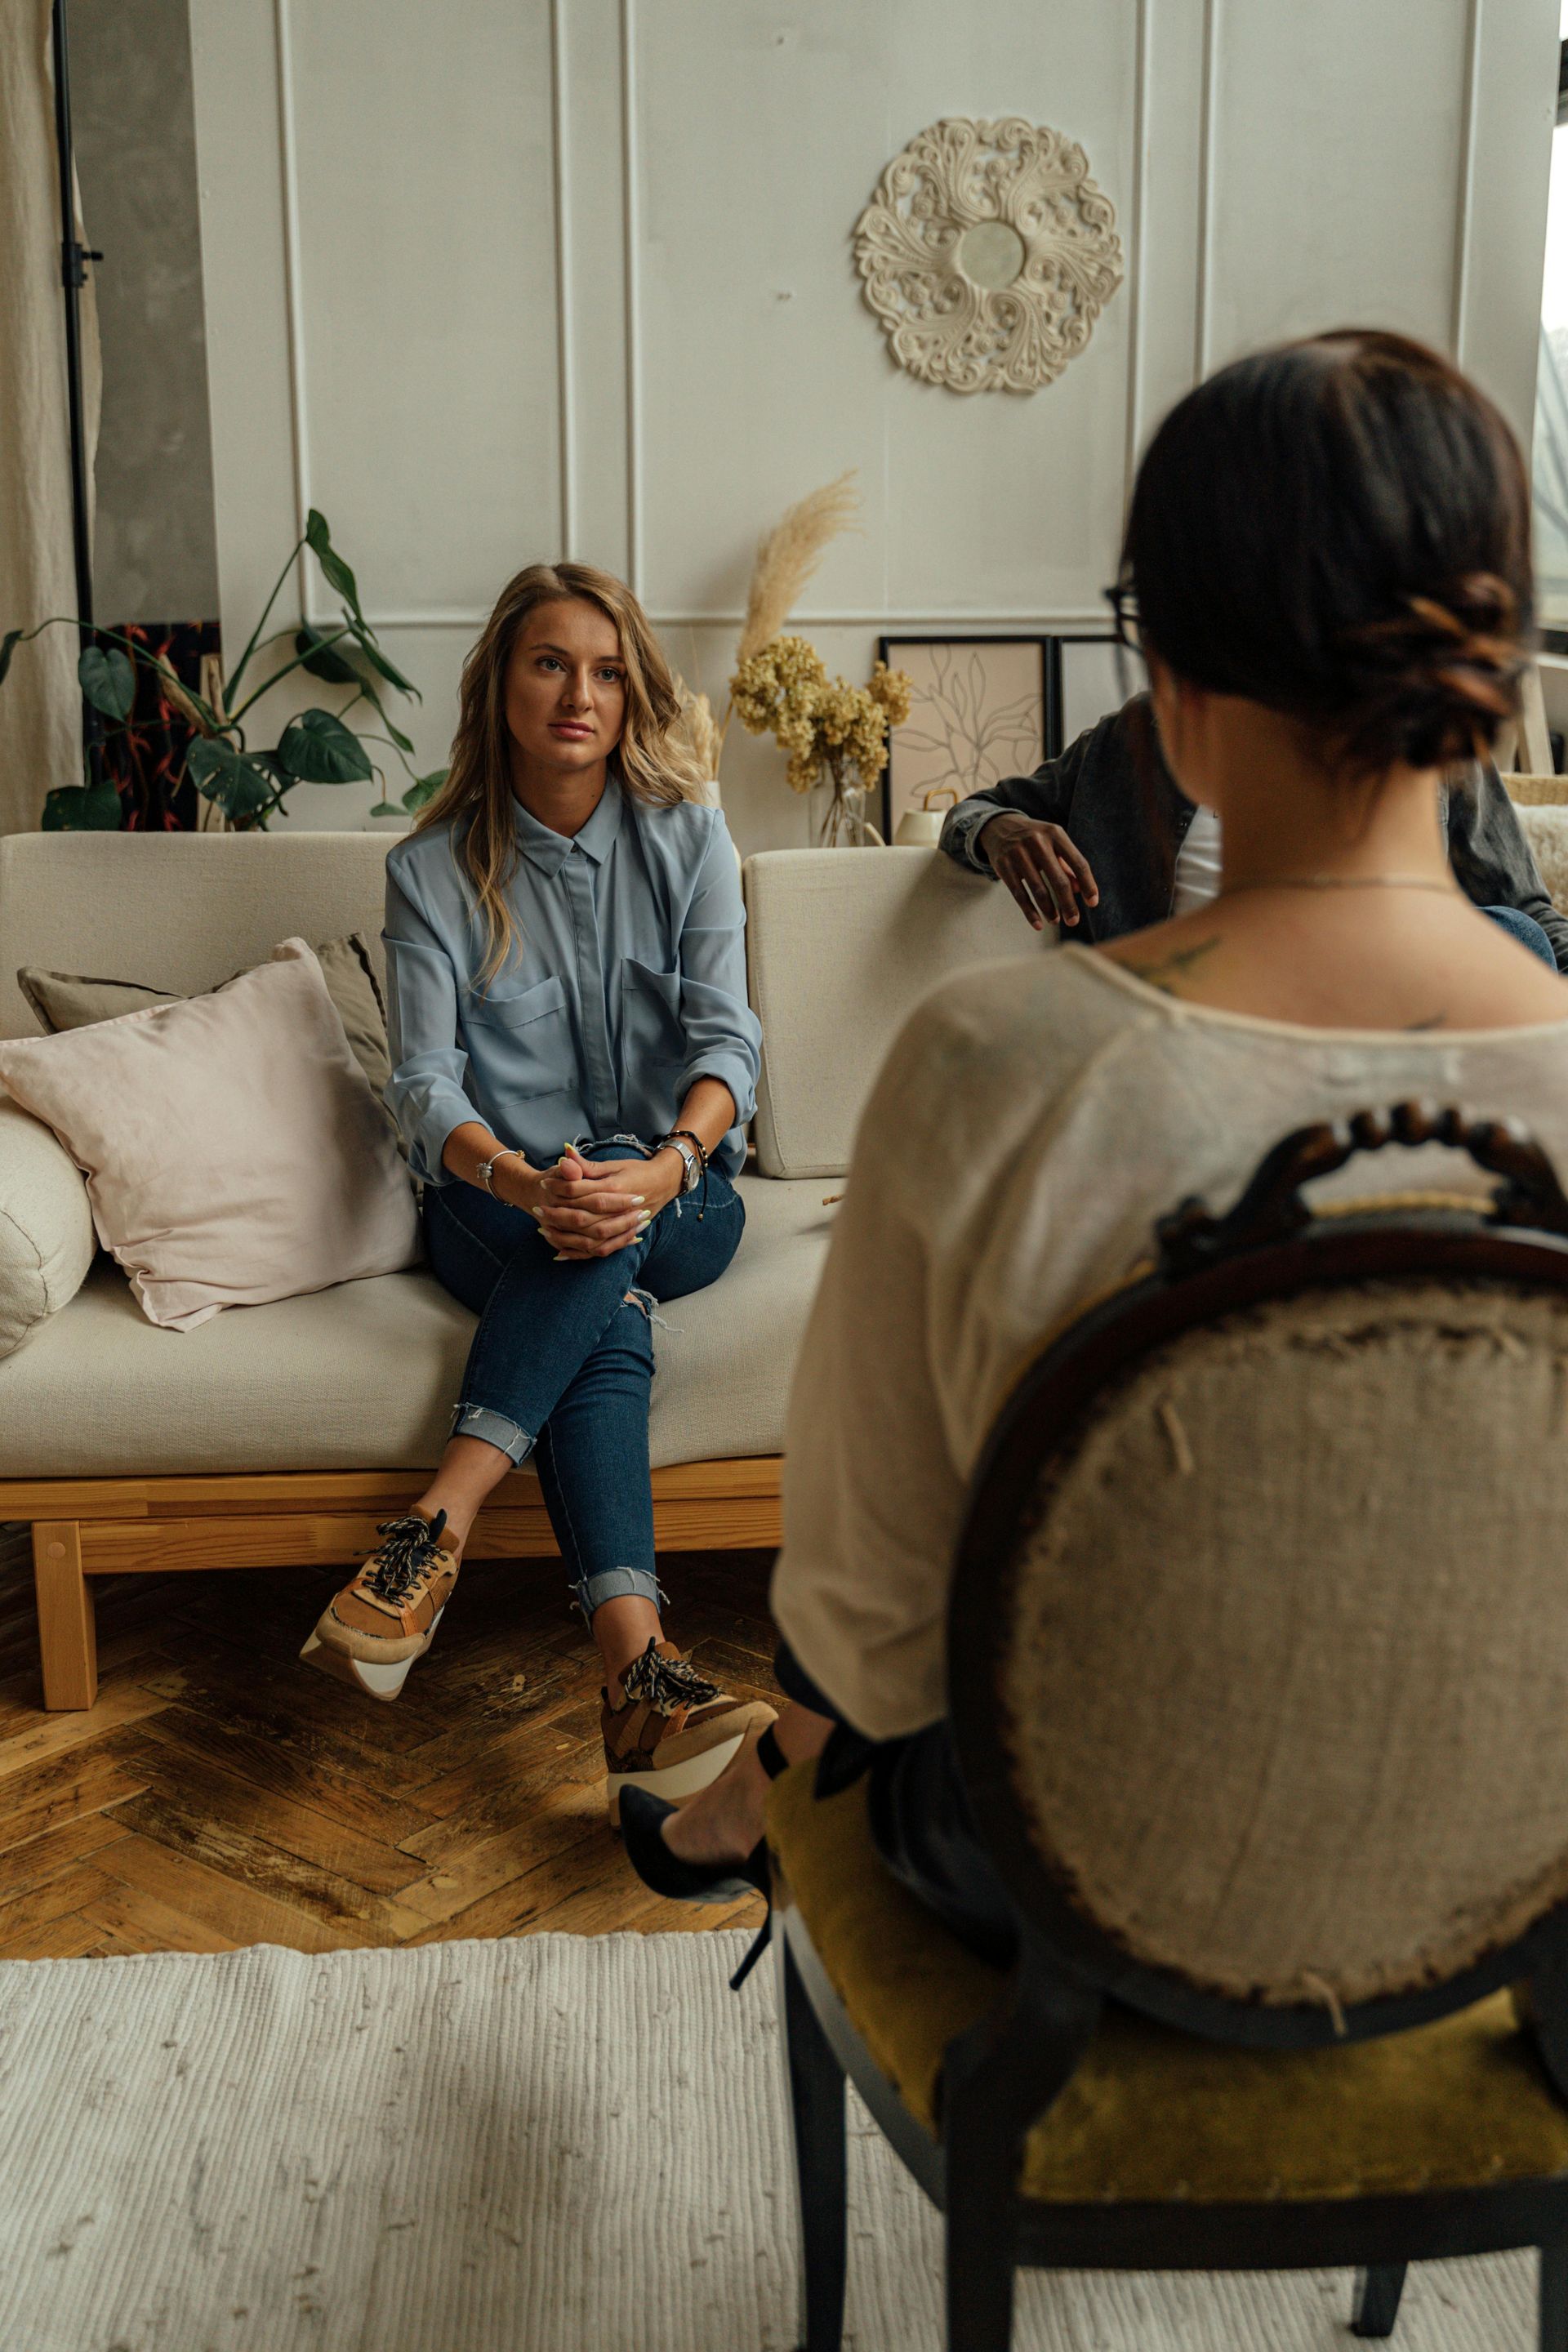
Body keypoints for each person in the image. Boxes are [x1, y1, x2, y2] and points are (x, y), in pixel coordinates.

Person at [621, 328, 1568, 1954]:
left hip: (1074, 1876)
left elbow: (867, 1634)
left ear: (1174, 673)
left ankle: (750, 1817)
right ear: (1485, 668)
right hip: (1519, 1871)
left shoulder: (993, 1067)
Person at [309, 561, 776, 1823]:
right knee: (592, 1273)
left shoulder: (688, 837)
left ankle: (430, 1533)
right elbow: (423, 1087)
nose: (582, 692)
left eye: (609, 669)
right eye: (551, 663)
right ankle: (637, 1676)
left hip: (678, 1184)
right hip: (496, 1194)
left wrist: (668, 1163)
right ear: (500, 686)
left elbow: (730, 1045)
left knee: (608, 1231)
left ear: (635, 693)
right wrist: (527, 1177)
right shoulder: (431, 870)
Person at [939, 691, 1568, 969]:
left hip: (1388, 1040)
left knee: (1515, 938)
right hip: (1179, 1037)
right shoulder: (1144, 737)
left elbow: (1532, 918)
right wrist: (1001, 829)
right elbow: (970, 812)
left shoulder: (1431, 741)